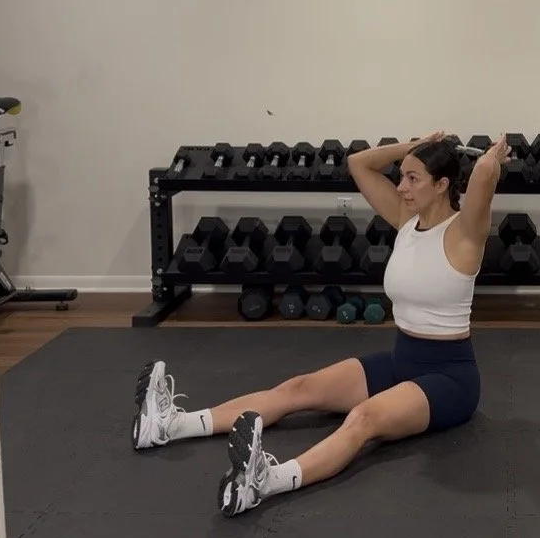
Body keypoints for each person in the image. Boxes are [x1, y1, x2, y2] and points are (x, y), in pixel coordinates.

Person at [130, 131, 512, 517]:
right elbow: (358, 163)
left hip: (449, 378)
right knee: (298, 387)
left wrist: (493, 156)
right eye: (402, 176)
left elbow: (482, 172)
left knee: (362, 418)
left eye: (413, 179)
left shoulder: (465, 233)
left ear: (442, 185)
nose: (401, 187)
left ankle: (266, 481)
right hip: (402, 361)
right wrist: (415, 148)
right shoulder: (406, 221)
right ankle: (171, 425)